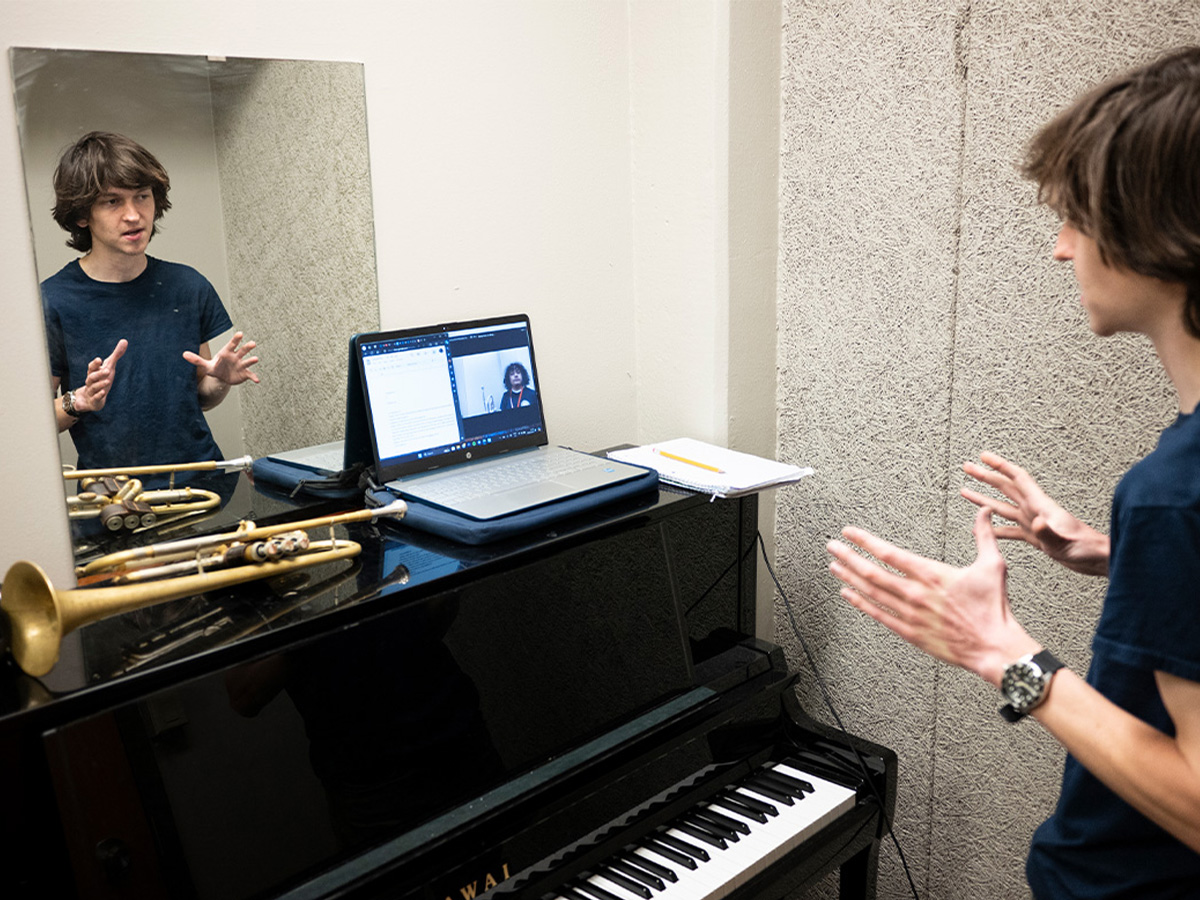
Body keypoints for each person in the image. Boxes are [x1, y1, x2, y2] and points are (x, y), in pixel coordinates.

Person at [825, 48, 1200, 898]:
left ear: (1155, 230)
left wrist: (1001, 652)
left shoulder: (1178, 490)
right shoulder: (1174, 502)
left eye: (1077, 216)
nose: (1061, 249)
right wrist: (1118, 553)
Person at [41, 131, 259, 470]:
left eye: (142, 196)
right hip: (114, 500)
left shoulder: (187, 286)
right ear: (83, 214)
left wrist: (218, 380)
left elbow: (201, 397)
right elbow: (32, 424)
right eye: (112, 201)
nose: (133, 215)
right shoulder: (52, 300)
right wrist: (78, 401)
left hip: (202, 488)